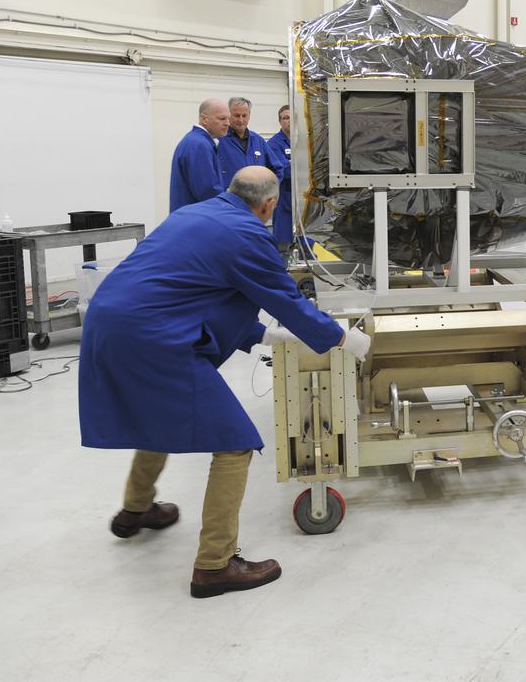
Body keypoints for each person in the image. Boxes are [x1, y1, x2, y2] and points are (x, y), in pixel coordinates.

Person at [78, 167, 372, 598]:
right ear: (269, 205)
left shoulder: (196, 214)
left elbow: (194, 289)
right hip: (153, 340)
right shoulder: (248, 235)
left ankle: (135, 510)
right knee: (234, 443)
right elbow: (285, 300)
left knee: (160, 412)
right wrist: (344, 339)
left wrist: (262, 335)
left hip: (110, 326)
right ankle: (215, 565)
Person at [169, 98, 228, 212]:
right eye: (222, 118)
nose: (227, 123)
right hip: (196, 221)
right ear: (204, 119)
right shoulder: (199, 145)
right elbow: (208, 193)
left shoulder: (195, 141)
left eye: (228, 118)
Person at [218, 96, 285, 193]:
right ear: (229, 115)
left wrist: (268, 192)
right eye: (236, 116)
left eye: (244, 116)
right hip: (228, 202)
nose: (241, 120)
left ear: (249, 115)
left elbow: (277, 169)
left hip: (255, 203)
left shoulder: (258, 141)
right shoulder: (219, 140)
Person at [267, 104, 295, 251]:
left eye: (292, 117)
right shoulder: (273, 144)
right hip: (284, 203)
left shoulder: (305, 141)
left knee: (307, 249)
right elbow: (285, 171)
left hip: (304, 204)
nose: (289, 121)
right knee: (283, 249)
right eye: (285, 118)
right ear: (280, 121)